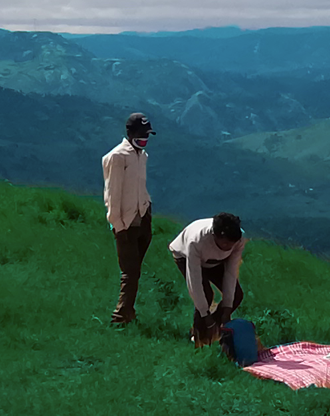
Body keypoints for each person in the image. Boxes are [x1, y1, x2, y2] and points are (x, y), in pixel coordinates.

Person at [102, 112, 155, 324]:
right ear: (130, 132)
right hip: (126, 222)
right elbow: (112, 195)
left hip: (143, 218)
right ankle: (119, 317)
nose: (145, 138)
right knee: (130, 272)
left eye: (147, 134)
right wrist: (119, 226)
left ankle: (129, 312)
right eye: (141, 134)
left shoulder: (142, 156)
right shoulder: (116, 157)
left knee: (135, 271)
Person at [170, 212, 248, 346]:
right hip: (186, 256)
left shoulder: (238, 239)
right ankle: (199, 338)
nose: (229, 247)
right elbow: (194, 282)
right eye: (225, 244)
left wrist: (227, 308)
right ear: (215, 236)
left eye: (232, 244)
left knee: (237, 295)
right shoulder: (196, 241)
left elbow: (231, 272)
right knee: (205, 294)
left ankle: (213, 331)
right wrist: (205, 315)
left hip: (216, 262)